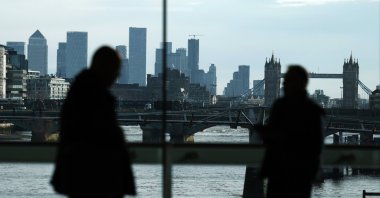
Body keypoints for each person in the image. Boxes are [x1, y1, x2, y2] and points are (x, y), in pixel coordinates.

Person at [51, 46, 136, 197]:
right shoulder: (94, 96)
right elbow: (99, 139)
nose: (117, 75)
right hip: (94, 179)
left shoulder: (80, 91)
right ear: (105, 68)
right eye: (115, 69)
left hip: (80, 177)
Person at [256, 65, 324, 198]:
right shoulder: (312, 110)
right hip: (288, 175)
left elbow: (313, 145)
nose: (284, 83)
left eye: (287, 80)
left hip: (293, 175)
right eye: (284, 80)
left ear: (300, 83)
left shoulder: (282, 106)